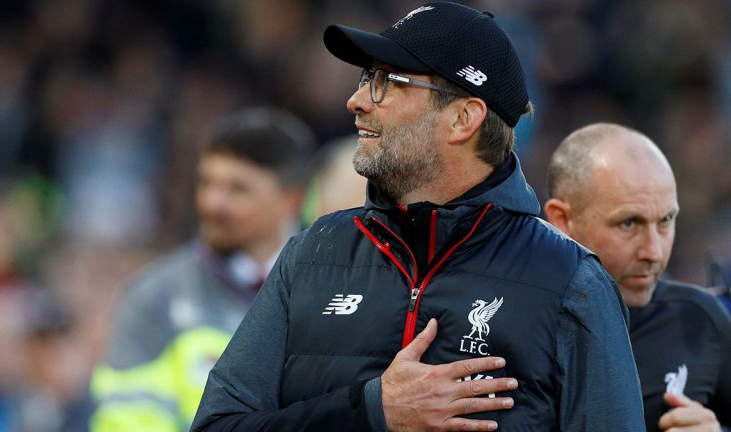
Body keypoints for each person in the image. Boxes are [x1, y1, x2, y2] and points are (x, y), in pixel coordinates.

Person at [191, 3, 644, 431]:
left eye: (387, 81)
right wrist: (371, 411)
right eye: (366, 77)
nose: (357, 100)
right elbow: (216, 424)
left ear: (462, 119)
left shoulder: (570, 281)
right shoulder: (311, 254)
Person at [89, 107, 315, 431]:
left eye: (237, 189)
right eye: (207, 183)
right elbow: (124, 419)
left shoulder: (332, 290)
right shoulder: (154, 296)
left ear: (291, 200)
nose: (212, 203)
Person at [544, 122, 731, 431]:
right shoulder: (513, 322)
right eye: (629, 223)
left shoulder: (701, 321)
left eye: (665, 220)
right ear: (562, 220)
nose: (654, 252)